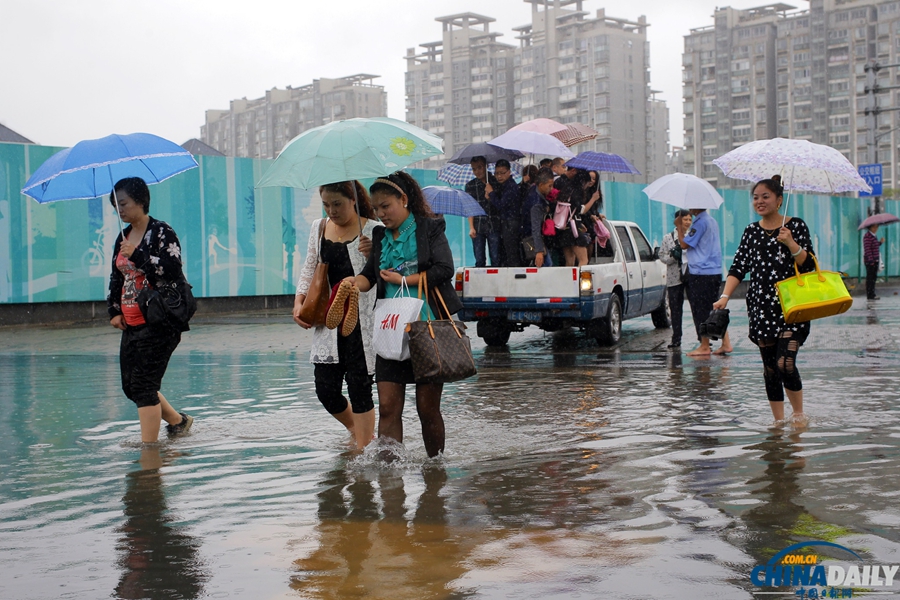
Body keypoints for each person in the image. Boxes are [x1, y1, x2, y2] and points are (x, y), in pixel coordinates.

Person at [347, 171, 461, 458]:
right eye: (375, 209)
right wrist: (352, 284)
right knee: (387, 405)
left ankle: (435, 468)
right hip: (390, 328)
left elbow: (445, 269)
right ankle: (389, 472)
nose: (381, 214)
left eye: (386, 206)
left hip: (426, 327)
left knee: (427, 408)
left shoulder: (429, 228)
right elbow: (369, 277)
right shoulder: (378, 236)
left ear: (405, 200)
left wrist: (404, 281)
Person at [712, 176, 816, 424]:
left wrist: (790, 242)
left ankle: (799, 415)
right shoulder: (751, 231)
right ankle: (778, 423)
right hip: (761, 308)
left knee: (785, 363)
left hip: (792, 307)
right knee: (770, 368)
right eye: (756, 197)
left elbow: (810, 265)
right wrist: (725, 296)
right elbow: (738, 268)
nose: (759, 201)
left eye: (765, 196)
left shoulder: (796, 227)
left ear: (779, 200)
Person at [293, 181, 380, 450]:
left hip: (362, 322)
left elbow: (383, 273)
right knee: (326, 389)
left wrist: (372, 253)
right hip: (328, 321)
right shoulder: (319, 227)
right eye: (326, 204)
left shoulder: (374, 230)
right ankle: (355, 427)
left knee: (360, 387)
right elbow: (310, 267)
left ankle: (364, 448)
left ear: (353, 199)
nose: (331, 210)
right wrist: (299, 301)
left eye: (337, 204)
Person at [107, 177, 193, 444]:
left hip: (159, 321)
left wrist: (138, 254)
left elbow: (172, 269)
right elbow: (116, 277)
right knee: (131, 386)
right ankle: (179, 422)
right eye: (116, 205)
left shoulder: (161, 231)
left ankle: (149, 451)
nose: (119, 210)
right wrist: (113, 311)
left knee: (144, 386)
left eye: (124, 203)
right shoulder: (122, 237)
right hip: (131, 322)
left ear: (141, 201)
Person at [679, 207, 732, 357]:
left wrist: (678, 226)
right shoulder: (712, 221)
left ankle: (704, 346)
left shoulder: (700, 223)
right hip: (713, 271)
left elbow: (684, 244)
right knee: (714, 308)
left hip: (701, 272)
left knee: (700, 310)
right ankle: (726, 343)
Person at [659, 209, 692, 349]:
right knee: (675, 309)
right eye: (685, 219)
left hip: (691, 276)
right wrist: (673, 257)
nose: (688, 222)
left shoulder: (693, 235)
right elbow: (662, 255)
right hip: (674, 278)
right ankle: (676, 338)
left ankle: (703, 338)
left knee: (697, 307)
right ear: (678, 220)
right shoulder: (668, 238)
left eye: (690, 219)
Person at [555, 168, 599, 267]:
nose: (587, 186)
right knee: (583, 260)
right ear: (583, 182)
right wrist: (593, 199)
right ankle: (578, 282)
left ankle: (567, 282)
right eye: (587, 183)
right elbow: (581, 210)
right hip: (573, 232)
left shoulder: (567, 189)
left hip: (564, 230)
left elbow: (571, 211)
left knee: (570, 262)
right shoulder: (577, 192)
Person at [465, 156, 500, 268]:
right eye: (474, 169)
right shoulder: (470, 185)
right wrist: (471, 227)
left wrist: (491, 196)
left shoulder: (495, 181)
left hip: (494, 224)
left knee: (496, 258)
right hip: (478, 225)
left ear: (486, 166)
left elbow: (501, 204)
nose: (477, 171)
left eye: (480, 167)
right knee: (479, 260)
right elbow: (469, 208)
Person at [486, 159, 523, 267]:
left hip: (511, 224)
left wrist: (491, 193)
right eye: (497, 173)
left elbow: (501, 205)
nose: (499, 176)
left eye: (502, 173)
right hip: (506, 224)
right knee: (506, 254)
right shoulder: (504, 186)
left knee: (512, 254)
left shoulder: (511, 187)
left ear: (509, 172)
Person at [521, 168, 556, 267]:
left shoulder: (532, 191)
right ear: (541, 185)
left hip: (528, 237)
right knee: (547, 265)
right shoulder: (536, 204)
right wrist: (539, 251)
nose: (552, 189)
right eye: (549, 186)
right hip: (532, 241)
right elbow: (535, 228)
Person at [863, 224, 885, 300]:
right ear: (870, 227)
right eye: (874, 227)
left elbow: (874, 246)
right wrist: (871, 261)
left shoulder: (874, 236)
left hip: (875, 260)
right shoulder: (867, 236)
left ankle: (872, 294)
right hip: (870, 261)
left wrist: (880, 243)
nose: (875, 229)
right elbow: (867, 249)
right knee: (870, 278)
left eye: (877, 227)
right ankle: (870, 295)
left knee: (873, 278)